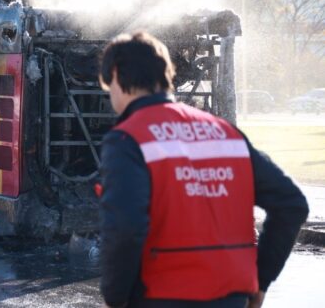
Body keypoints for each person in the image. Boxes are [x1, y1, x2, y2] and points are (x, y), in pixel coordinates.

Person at [97, 31, 308, 308]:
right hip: (231, 297)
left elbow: (126, 227)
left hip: (161, 296)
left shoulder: (128, 139)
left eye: (106, 86)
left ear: (115, 73)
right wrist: (260, 278)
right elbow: (292, 204)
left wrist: (115, 297)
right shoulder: (226, 134)